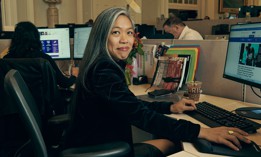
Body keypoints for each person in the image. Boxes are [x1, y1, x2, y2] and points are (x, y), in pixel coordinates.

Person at [63, 7, 251, 157]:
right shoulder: (104, 71)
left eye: (129, 33)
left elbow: (131, 104)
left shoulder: (100, 64)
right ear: (103, 36)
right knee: (177, 142)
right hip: (101, 150)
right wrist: (202, 132)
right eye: (115, 32)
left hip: (96, 143)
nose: (125, 40)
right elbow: (140, 116)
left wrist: (169, 108)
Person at [3, 21, 76, 88]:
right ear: (36, 38)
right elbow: (64, 83)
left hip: (19, 102)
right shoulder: (43, 59)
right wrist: (74, 77)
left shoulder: (6, 60)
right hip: (43, 102)